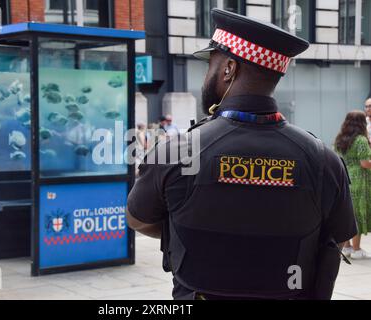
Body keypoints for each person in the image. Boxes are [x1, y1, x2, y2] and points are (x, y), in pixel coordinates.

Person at [126, 9, 357, 300]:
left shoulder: (177, 152)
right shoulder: (323, 160)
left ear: (229, 69)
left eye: (211, 64)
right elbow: (339, 234)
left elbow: (137, 219)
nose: (206, 75)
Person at [335, 111, 371, 259]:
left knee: (349, 213)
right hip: (359, 180)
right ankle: (357, 249)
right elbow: (365, 163)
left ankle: (348, 247)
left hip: (344, 176)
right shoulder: (361, 140)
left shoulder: (341, 139)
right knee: (358, 214)